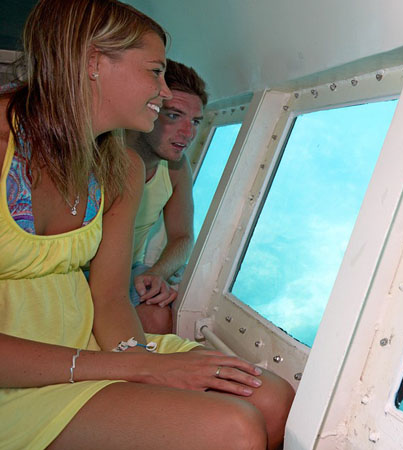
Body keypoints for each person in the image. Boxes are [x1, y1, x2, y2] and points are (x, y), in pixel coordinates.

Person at [0, 1, 293, 449]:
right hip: (20, 377)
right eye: (155, 72)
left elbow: (110, 296)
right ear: (94, 62)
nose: (164, 89)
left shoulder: (119, 166)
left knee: (271, 397)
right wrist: (137, 368)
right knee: (233, 428)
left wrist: (140, 360)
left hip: (92, 342)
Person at [126, 59, 206, 334]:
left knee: (160, 318)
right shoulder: (104, 153)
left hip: (127, 269)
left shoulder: (177, 168)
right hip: (78, 268)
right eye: (173, 116)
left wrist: (156, 273)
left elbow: (183, 237)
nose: (189, 133)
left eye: (195, 121)